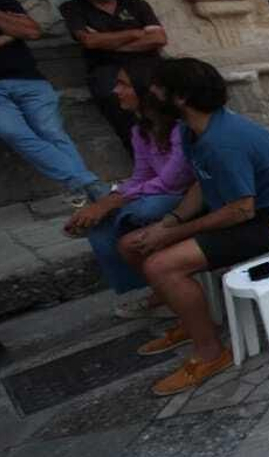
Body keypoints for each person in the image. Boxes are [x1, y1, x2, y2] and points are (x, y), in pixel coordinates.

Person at [120, 59, 269, 396]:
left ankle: (210, 353)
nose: (148, 96)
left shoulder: (222, 141)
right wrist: (172, 221)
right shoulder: (193, 131)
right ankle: (192, 322)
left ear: (179, 97)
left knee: (161, 265)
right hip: (241, 215)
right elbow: (202, 183)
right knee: (131, 244)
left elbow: (241, 209)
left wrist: (172, 234)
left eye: (155, 90)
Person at [64, 62, 193, 316]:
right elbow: (141, 176)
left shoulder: (181, 128)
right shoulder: (141, 131)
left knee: (143, 209)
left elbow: (172, 181)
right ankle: (156, 289)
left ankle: (166, 289)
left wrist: (113, 202)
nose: (116, 90)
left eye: (123, 84)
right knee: (101, 216)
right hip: (162, 192)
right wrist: (108, 200)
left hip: (190, 195)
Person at [0, 0, 107, 204]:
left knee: (52, 132)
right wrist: (12, 32)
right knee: (14, 133)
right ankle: (87, 182)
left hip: (30, 80)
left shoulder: (0, 0)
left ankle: (82, 187)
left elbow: (33, 31)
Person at [58, 0, 167, 152]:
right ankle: (146, 168)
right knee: (122, 115)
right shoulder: (73, 8)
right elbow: (89, 41)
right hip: (106, 68)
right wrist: (135, 33)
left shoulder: (137, 5)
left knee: (168, 106)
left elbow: (158, 39)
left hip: (147, 64)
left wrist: (105, 41)